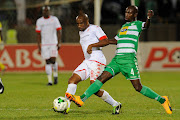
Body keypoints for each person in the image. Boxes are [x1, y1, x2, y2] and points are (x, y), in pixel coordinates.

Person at [65, 6, 172, 115]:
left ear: (135, 15)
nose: (127, 14)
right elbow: (114, 40)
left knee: (138, 87)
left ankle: (162, 100)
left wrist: (149, 18)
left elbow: (146, 26)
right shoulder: (124, 27)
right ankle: (81, 99)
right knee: (100, 79)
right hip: (116, 59)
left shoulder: (138, 24)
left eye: (130, 13)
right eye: (126, 12)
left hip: (128, 60)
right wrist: (95, 44)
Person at [64, 11, 121, 114]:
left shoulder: (95, 28)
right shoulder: (81, 32)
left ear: (87, 21)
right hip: (87, 61)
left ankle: (115, 104)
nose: (79, 25)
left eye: (81, 23)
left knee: (94, 87)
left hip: (97, 60)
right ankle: (65, 106)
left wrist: (92, 45)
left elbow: (106, 41)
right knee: (72, 80)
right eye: (77, 23)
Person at [36, 5, 62, 86]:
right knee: (47, 61)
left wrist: (59, 42)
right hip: (44, 44)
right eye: (44, 11)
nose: (45, 12)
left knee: (53, 60)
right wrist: (39, 45)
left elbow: (59, 31)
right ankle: (50, 81)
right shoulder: (39, 21)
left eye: (47, 10)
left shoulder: (54, 19)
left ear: (49, 11)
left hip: (53, 43)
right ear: (42, 12)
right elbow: (38, 34)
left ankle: (55, 75)